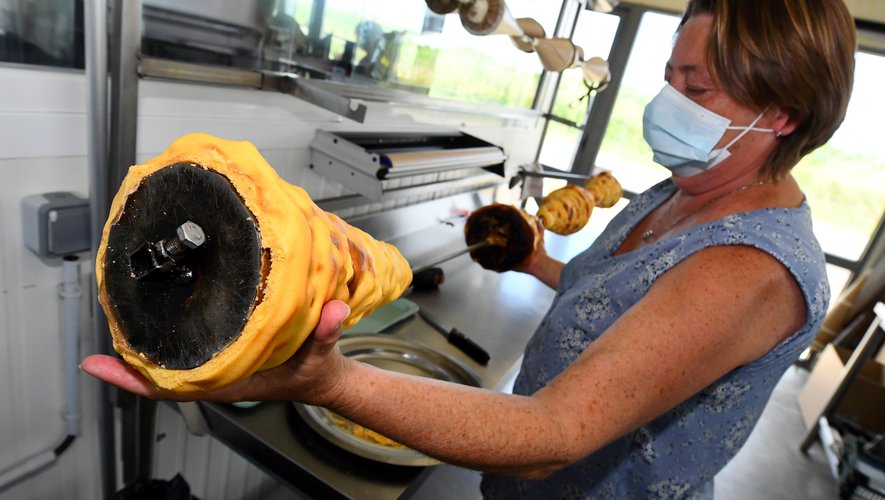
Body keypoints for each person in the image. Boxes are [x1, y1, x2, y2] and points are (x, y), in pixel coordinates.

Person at [82, 0, 856, 497]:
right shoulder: (682, 190)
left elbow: (554, 435)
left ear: (781, 115)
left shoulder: (749, 271)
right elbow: (623, 302)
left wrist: (327, 382)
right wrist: (533, 262)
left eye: (698, 88)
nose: (667, 103)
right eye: (669, 78)